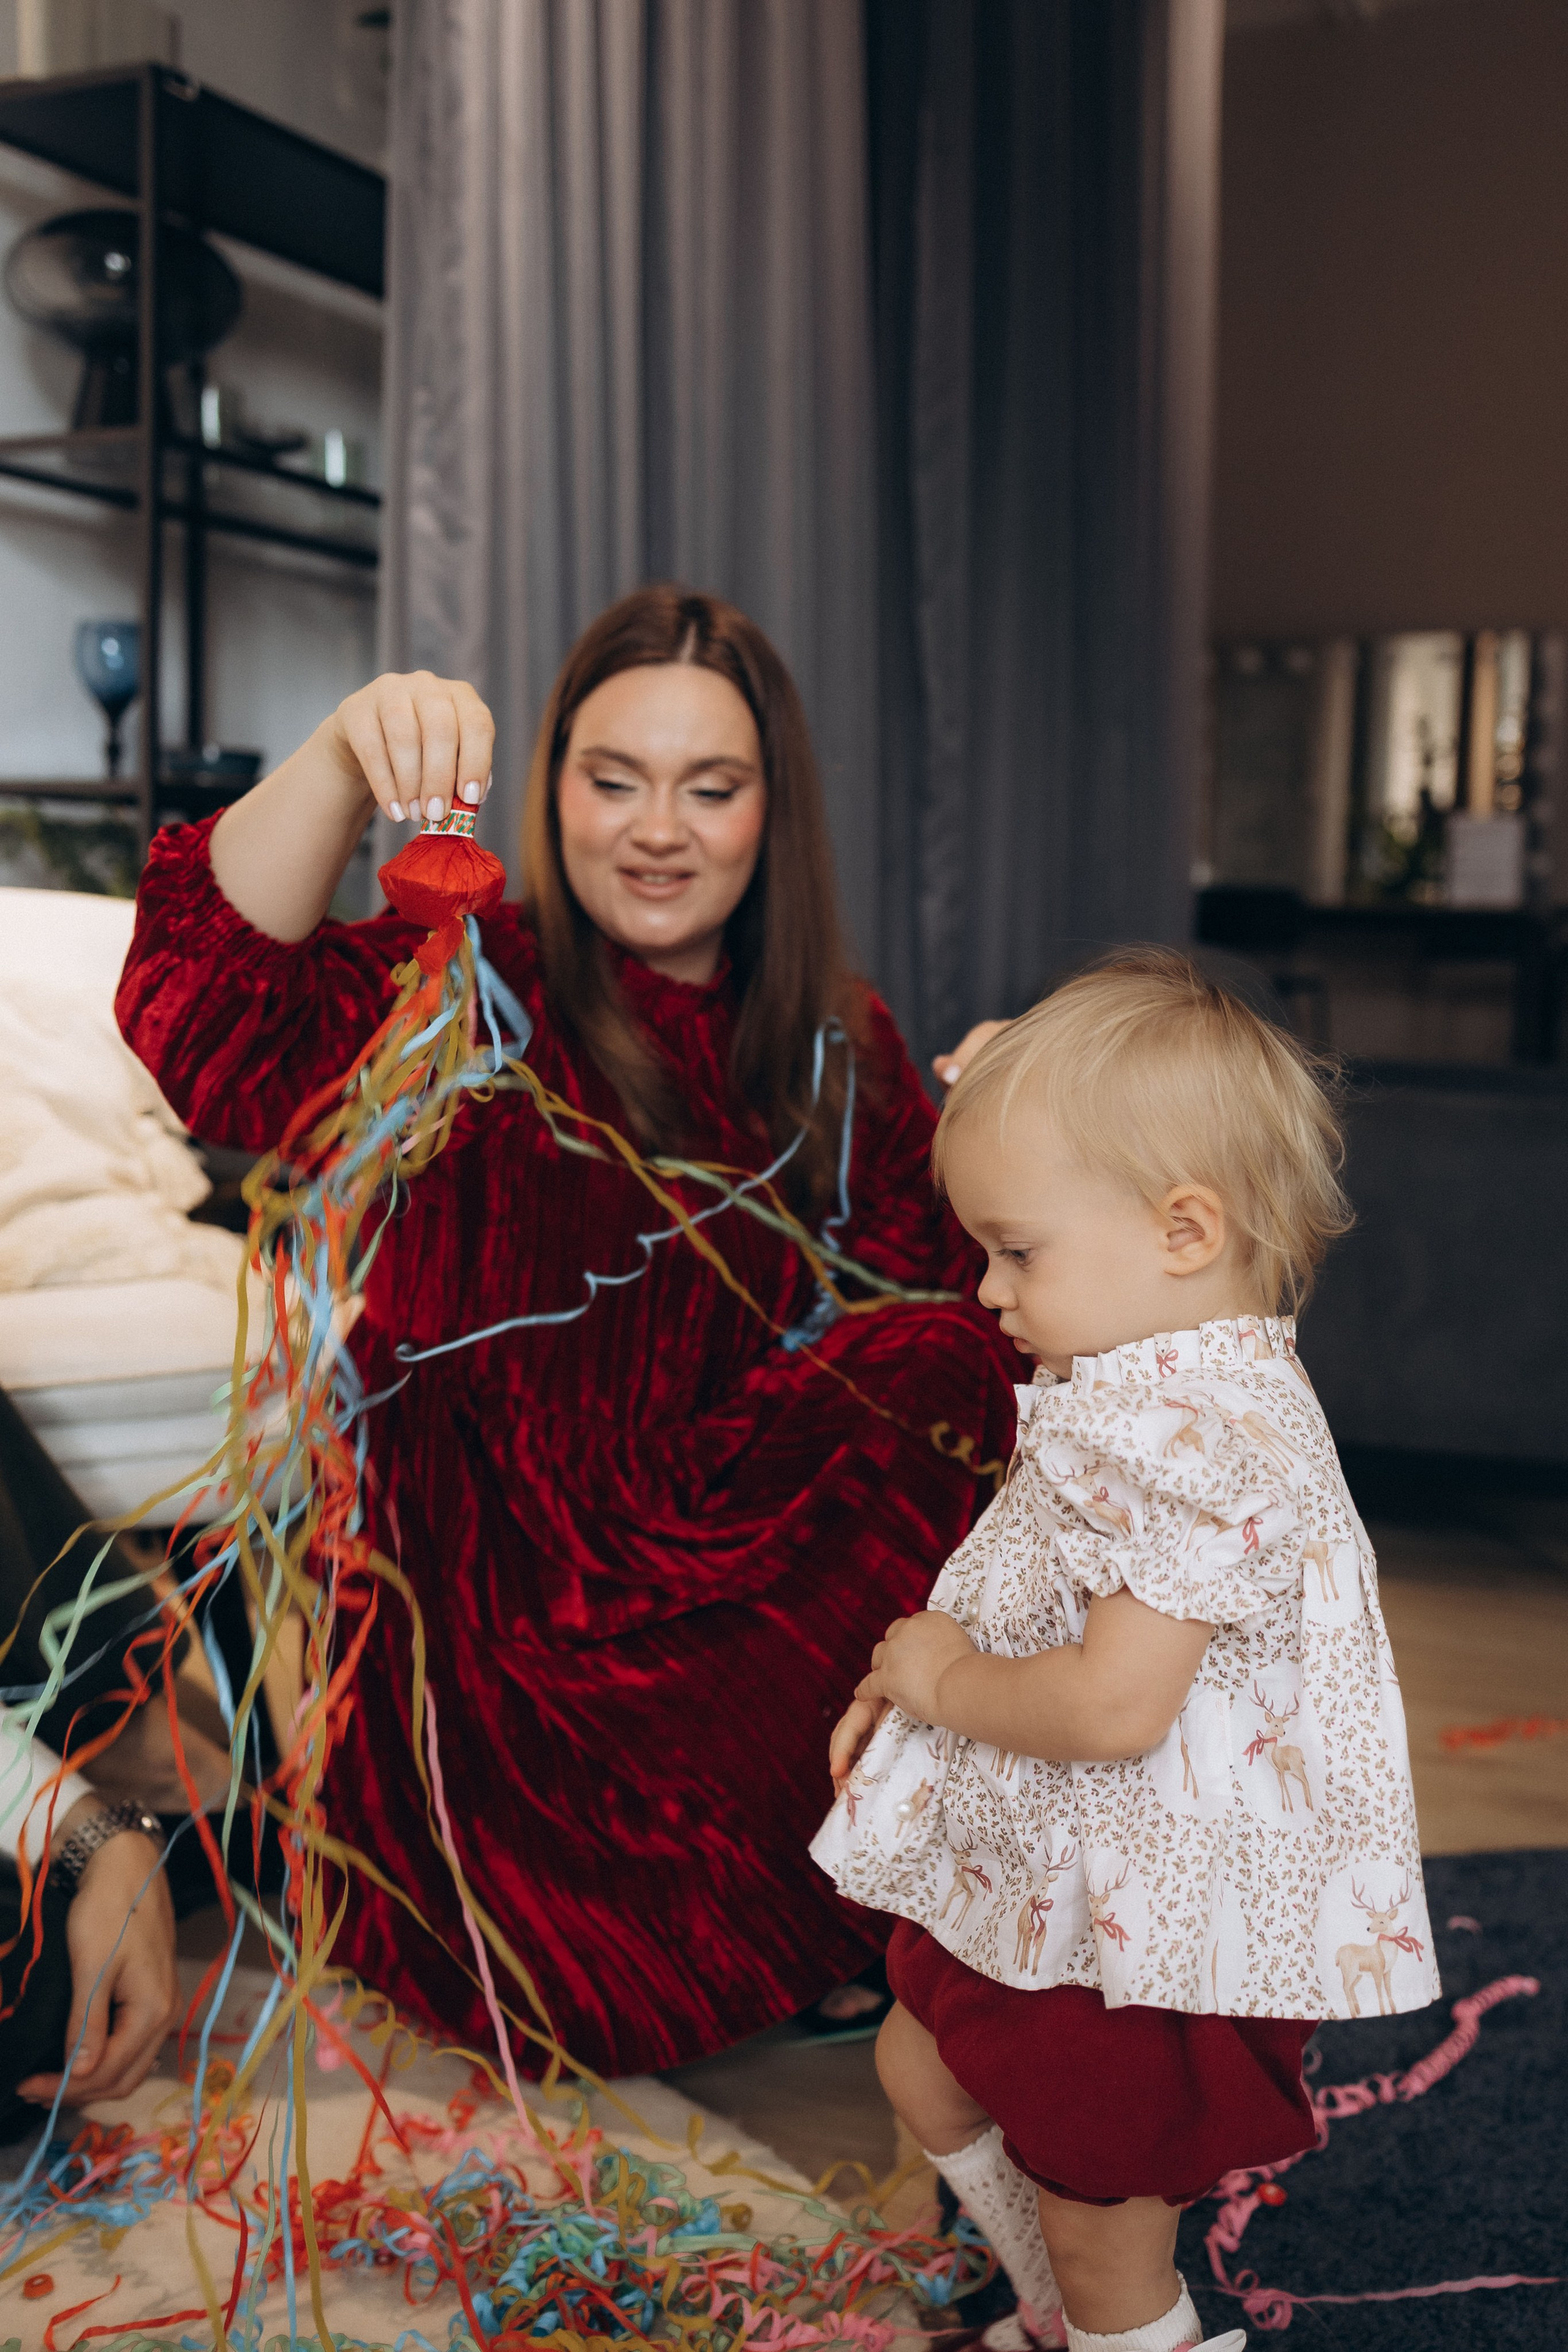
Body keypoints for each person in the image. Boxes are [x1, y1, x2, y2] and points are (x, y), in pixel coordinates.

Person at [115, 586, 1019, 2077]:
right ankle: (684, 1930)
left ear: (767, 814)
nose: (656, 829)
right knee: (558, 1983)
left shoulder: (831, 1040)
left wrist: (1020, 1119)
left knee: (951, 1365)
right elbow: (196, 1019)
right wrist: (344, 754)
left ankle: (804, 1908)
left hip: (722, 1591)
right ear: (550, 792)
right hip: (491, 1619)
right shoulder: (463, 987)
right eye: (613, 781)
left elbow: (979, 1295)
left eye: (709, 788)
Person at [813, 952, 1438, 2352]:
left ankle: (1112, 2325)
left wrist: (933, 1679)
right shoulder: (1148, 1377)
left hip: (1144, 1920)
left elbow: (1109, 1705)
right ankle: (1058, 2313)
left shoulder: (1198, 1439)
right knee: (921, 2062)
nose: (984, 1291)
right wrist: (910, 1676)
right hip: (1059, 1873)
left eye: (1015, 1251)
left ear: (1180, 1230)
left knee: (1102, 2202)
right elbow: (1032, 1570)